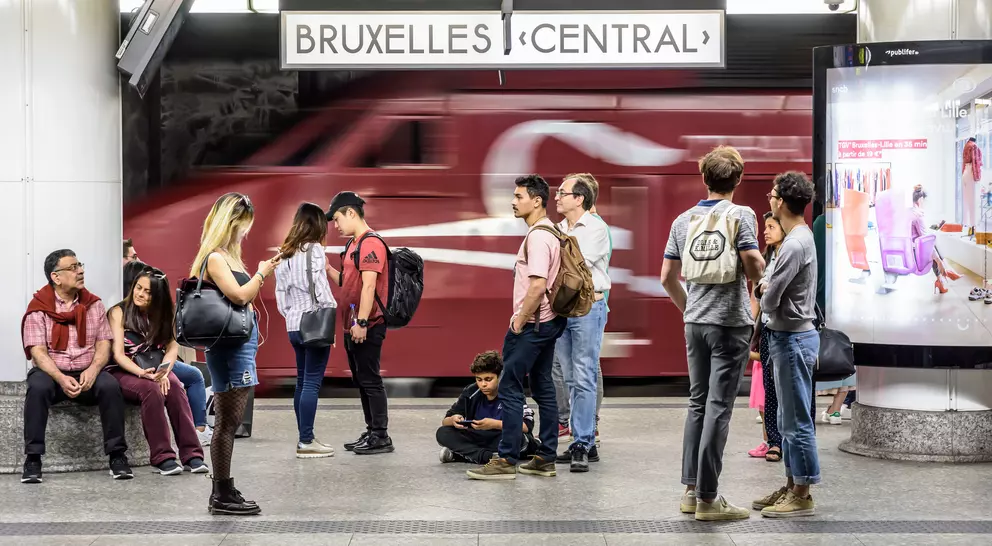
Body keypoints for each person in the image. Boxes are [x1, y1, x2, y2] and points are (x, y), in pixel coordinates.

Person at [660, 146, 765, 520]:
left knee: (697, 404)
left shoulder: (682, 220)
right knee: (719, 408)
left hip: (695, 323)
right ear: (737, 180)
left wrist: (690, 308)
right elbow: (752, 262)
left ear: (704, 179)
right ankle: (708, 497)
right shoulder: (742, 215)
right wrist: (761, 276)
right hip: (730, 324)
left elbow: (667, 278)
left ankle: (691, 490)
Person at [467, 174, 566, 481]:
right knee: (543, 386)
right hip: (551, 322)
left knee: (510, 386)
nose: (513, 201)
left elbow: (536, 285)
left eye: (519, 196)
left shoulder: (538, 236)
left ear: (537, 201)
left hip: (534, 324)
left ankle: (507, 459)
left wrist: (520, 320)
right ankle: (546, 457)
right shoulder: (554, 232)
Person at [192, 192, 280, 515]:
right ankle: (220, 494)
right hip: (230, 351)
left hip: (239, 347)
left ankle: (225, 487)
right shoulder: (215, 258)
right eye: (244, 226)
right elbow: (240, 296)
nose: (246, 232)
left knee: (230, 420)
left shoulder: (228, 256)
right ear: (230, 223)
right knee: (227, 423)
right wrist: (261, 273)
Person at [21, 249, 133, 483]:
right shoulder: (38, 307)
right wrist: (61, 378)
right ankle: (33, 459)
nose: (80, 271)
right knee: (37, 388)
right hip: (52, 373)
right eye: (72, 268)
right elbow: (37, 352)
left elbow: (104, 343)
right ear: (56, 277)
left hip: (87, 372)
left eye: (79, 265)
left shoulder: (94, 305)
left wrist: (93, 369)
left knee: (110, 386)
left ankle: (117, 456)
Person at [753, 171, 820, 518]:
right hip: (786, 338)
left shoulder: (794, 244)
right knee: (785, 417)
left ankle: (803, 491)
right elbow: (767, 281)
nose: (769, 200)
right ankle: (793, 484)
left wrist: (764, 290)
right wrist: (765, 286)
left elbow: (768, 297)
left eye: (771, 195)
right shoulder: (795, 238)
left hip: (792, 338)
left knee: (796, 421)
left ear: (781, 202)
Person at [107, 267, 208, 475]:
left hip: (155, 367)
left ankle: (192, 455)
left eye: (148, 292)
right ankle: (163, 457)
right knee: (151, 390)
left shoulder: (165, 313)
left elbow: (172, 347)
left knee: (176, 387)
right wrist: (142, 374)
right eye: (138, 288)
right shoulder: (118, 312)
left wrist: (164, 371)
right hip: (124, 369)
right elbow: (117, 354)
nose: (140, 294)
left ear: (158, 297)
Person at [324, 191, 394, 455]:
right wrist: (327, 268)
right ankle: (371, 430)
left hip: (368, 324)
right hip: (351, 325)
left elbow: (369, 286)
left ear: (351, 212)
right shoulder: (353, 244)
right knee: (362, 379)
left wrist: (362, 322)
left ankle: (381, 435)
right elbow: (347, 282)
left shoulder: (370, 243)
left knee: (371, 379)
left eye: (338, 218)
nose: (336, 225)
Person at [552, 173, 610, 472]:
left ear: (579, 198)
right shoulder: (558, 228)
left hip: (588, 308)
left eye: (562, 192)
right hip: (563, 310)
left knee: (584, 374)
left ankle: (583, 441)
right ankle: (581, 440)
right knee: (572, 378)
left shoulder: (596, 228)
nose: (557, 197)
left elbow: (575, 266)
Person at [123, 258, 212, 446]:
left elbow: (172, 344)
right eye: (132, 255)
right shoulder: (125, 312)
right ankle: (200, 429)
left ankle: (195, 434)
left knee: (177, 381)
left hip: (154, 361)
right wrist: (160, 371)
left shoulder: (138, 309)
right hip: (144, 364)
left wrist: (165, 369)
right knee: (194, 376)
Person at [275, 202, 338, 459]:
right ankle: (306, 440)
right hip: (314, 322)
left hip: (293, 324)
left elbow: (281, 296)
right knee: (312, 382)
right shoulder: (315, 251)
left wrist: (291, 314)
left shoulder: (284, 253)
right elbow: (322, 290)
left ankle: (305, 438)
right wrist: (329, 313)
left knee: (301, 382)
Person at [436, 351, 537, 465]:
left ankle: (460, 454)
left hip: (501, 435)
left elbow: (526, 426)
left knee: (519, 438)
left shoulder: (511, 391)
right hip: (478, 436)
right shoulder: (471, 392)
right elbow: (445, 421)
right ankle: (487, 457)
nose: (483, 384)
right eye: (479, 379)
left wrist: (494, 424)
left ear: (500, 377)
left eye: (488, 379)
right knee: (443, 433)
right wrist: (453, 419)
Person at [749, 212, 785, 463]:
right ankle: (773, 441)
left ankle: (781, 441)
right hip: (766, 330)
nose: (766, 231)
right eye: (766, 227)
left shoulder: (790, 254)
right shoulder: (766, 258)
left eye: (772, 227)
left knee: (783, 391)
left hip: (784, 329)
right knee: (769, 391)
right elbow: (757, 296)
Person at [911, 184, 961, 295]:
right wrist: (939, 261)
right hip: (915, 253)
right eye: (924, 201)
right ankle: (945, 272)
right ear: (920, 199)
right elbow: (925, 240)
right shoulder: (918, 215)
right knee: (932, 246)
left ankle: (941, 279)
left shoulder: (911, 212)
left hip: (910, 249)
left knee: (933, 245)